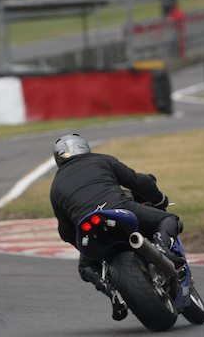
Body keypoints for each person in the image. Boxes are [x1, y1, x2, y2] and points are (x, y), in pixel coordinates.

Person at [50, 133, 184, 320]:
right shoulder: (101, 160)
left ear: (58, 159)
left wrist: (82, 245)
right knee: (168, 219)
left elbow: (65, 231)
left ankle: (112, 291)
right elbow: (140, 181)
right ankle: (162, 248)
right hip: (119, 210)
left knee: (86, 266)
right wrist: (159, 199)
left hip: (88, 227)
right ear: (84, 148)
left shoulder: (55, 186)